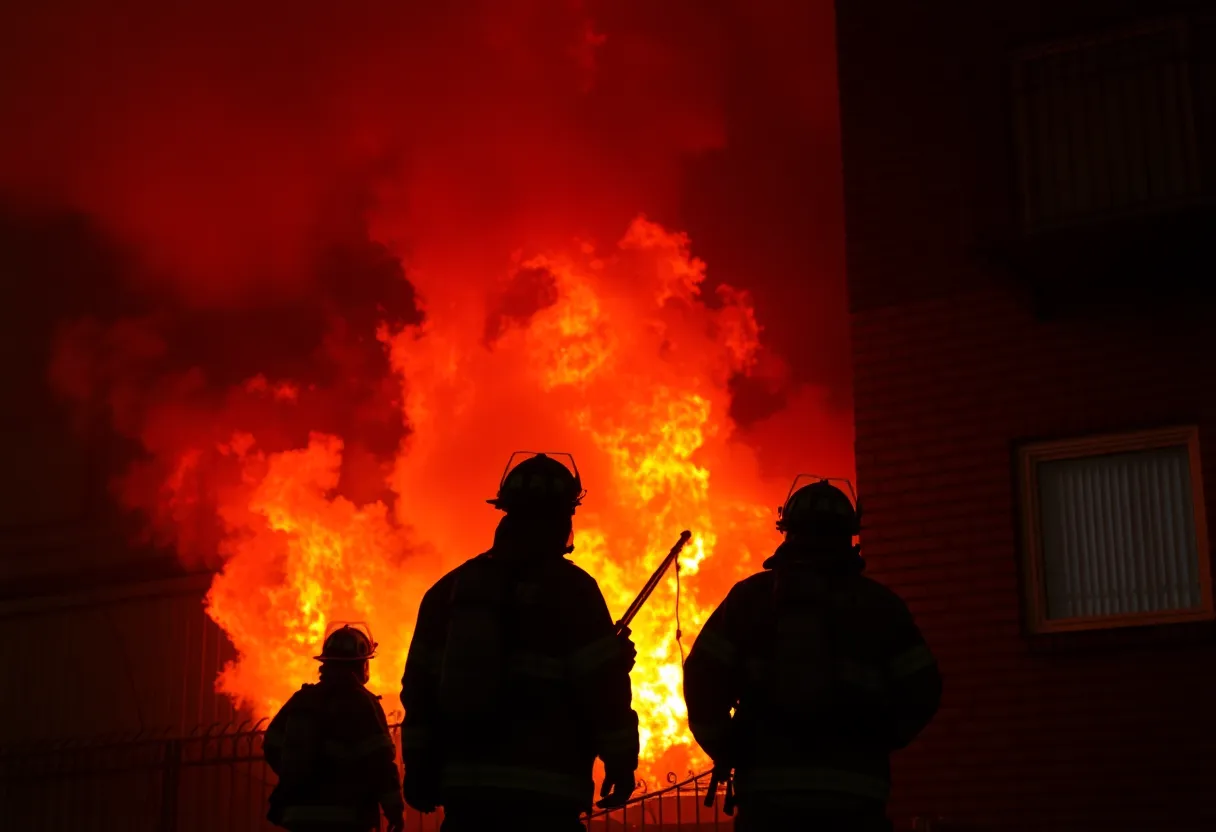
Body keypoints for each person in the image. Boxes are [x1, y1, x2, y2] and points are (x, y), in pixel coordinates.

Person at [683, 477, 942, 832]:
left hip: (767, 799)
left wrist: (727, 748)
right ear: (850, 535)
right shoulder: (879, 606)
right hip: (855, 798)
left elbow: (702, 680)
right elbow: (923, 689)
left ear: (787, 531)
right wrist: (878, 738)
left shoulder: (749, 600)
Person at [399, 452, 639, 832]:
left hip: (468, 797)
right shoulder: (574, 592)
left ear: (506, 513)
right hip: (548, 799)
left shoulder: (449, 590)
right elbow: (604, 689)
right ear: (563, 517)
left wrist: (418, 768)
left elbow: (419, 691)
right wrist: (621, 761)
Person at [264, 623, 406, 832]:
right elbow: (380, 763)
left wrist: (298, 774)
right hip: (348, 816)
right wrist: (394, 809)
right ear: (361, 665)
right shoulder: (361, 702)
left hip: (299, 816)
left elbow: (271, 743)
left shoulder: (302, 699)